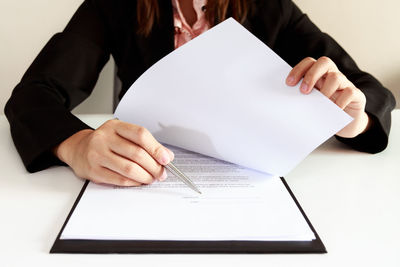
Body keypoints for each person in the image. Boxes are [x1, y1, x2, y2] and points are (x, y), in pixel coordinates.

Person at [5, 0, 396, 187]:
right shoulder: (113, 4)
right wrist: (77, 145)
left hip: (248, 175)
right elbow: (33, 94)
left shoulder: (270, 7)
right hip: (143, 169)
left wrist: (351, 116)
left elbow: (368, 91)